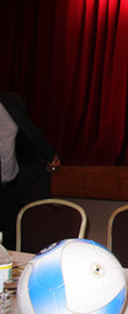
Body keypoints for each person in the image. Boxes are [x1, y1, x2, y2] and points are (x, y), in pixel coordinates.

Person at [0, 91, 61, 250]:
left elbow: (27, 136)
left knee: (13, 248)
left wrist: (46, 156)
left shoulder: (11, 102)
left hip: (11, 191)